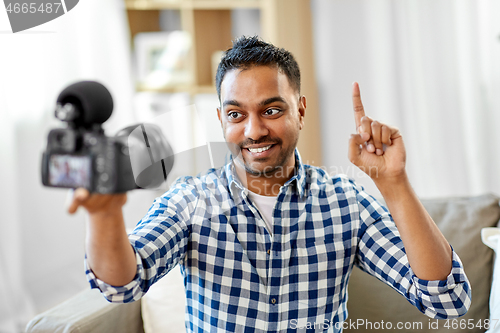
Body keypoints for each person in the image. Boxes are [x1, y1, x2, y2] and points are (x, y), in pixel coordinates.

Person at [68, 36, 470, 332]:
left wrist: (394, 183)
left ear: (300, 109)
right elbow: (121, 285)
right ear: (222, 120)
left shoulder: (346, 202)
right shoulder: (191, 200)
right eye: (236, 114)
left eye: (271, 109)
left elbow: (446, 301)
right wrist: (105, 216)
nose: (254, 130)